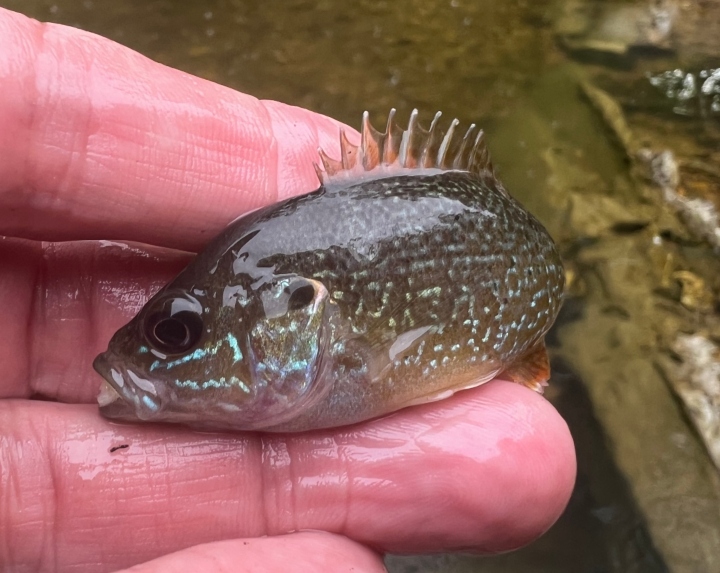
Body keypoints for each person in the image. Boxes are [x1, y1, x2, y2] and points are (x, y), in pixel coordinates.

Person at [0, 7, 576, 573]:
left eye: (178, 333)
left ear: (301, 302)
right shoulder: (264, 267)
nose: (147, 359)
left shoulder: (304, 285)